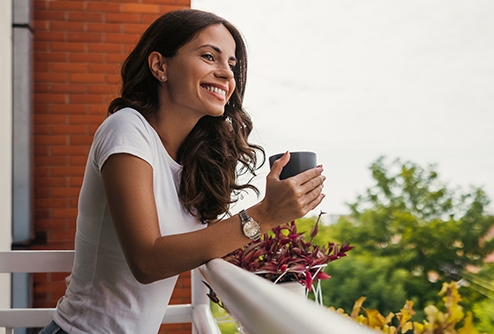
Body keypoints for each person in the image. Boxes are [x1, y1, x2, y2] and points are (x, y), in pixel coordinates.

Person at [39, 9, 326, 334]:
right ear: (160, 66)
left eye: (231, 64)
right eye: (209, 56)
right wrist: (264, 213)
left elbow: (207, 243)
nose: (226, 74)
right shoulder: (127, 129)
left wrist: (290, 263)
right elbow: (147, 261)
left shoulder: (193, 160)